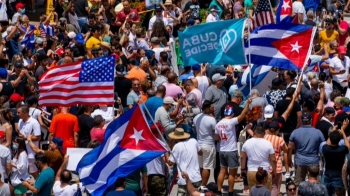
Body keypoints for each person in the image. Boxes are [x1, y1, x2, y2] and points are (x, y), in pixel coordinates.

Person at [215, 98, 251, 196]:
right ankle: (230, 192)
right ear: (232, 114)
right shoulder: (231, 122)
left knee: (222, 171)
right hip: (231, 150)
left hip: (222, 149)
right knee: (232, 174)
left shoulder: (218, 124)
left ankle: (219, 190)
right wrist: (247, 103)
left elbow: (217, 137)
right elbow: (243, 114)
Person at [288, 112, 325, 188]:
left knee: (298, 184)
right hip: (313, 161)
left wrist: (289, 159)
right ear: (311, 120)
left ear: (301, 121)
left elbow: (290, 147)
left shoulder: (295, 132)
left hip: (300, 161)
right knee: (314, 184)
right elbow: (323, 147)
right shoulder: (318, 132)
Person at [240, 125, 277, 190]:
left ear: (254, 132)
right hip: (264, 172)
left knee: (253, 192)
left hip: (251, 171)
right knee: (266, 192)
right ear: (264, 133)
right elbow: (273, 159)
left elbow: (242, 157)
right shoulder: (268, 143)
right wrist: (274, 171)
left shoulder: (247, 142)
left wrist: (243, 169)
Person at [168, 128, 202, 195]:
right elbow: (200, 153)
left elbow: (170, 163)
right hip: (196, 178)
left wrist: (171, 144)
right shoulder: (194, 141)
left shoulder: (177, 146)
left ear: (176, 138)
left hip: (184, 180)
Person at [17, 106, 41, 179]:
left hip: (31, 152)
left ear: (25, 113)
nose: (17, 114)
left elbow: (38, 137)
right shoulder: (20, 121)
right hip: (21, 150)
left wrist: (26, 138)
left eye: (19, 112)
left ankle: (39, 184)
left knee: (33, 171)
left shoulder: (34, 122)